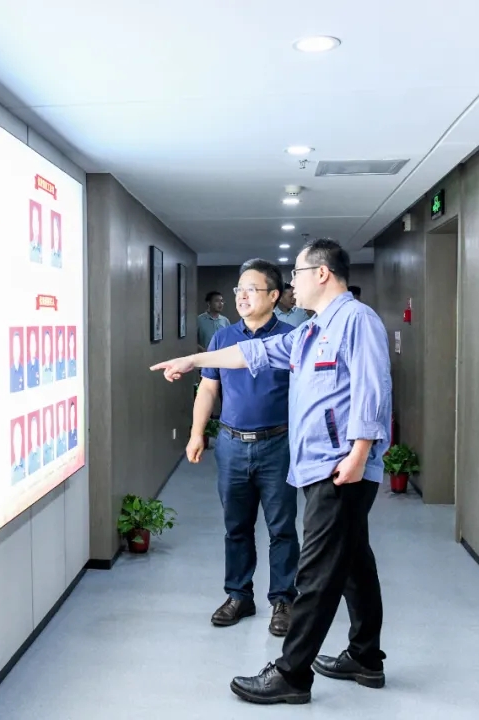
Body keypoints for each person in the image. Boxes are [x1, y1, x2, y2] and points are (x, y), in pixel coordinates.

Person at [150, 238, 392, 706]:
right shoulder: (312, 330)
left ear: (322, 273)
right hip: (321, 466)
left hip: (340, 467)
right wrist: (194, 360)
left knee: (316, 572)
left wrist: (360, 452)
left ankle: (291, 674)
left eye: (297, 273)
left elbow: (372, 387)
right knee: (354, 563)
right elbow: (252, 354)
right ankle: (365, 657)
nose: (292, 284)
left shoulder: (356, 320)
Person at [190, 259, 298, 637]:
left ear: (274, 295)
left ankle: (283, 600)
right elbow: (208, 388)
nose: (242, 296)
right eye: (239, 289)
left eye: (252, 289)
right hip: (232, 445)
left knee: (281, 527)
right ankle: (239, 595)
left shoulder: (290, 338)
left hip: (278, 445)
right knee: (236, 526)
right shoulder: (223, 338)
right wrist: (197, 433)